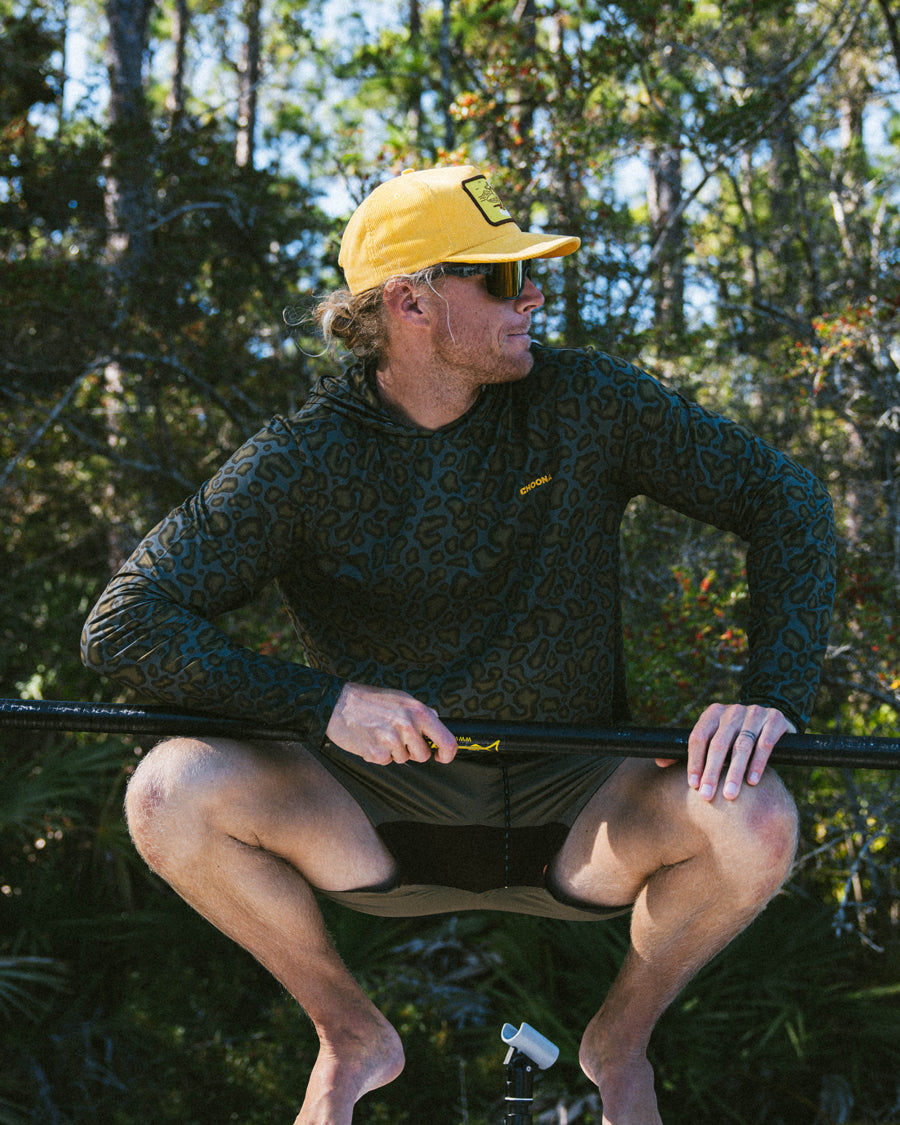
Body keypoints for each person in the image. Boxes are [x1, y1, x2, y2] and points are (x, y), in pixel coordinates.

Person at [81, 164, 836, 1125]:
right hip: (375, 814)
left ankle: (623, 1039)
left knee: (755, 814)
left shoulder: (587, 399)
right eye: (501, 278)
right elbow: (124, 621)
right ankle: (350, 1032)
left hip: (581, 800)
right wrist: (326, 706)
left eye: (530, 274)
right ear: (410, 302)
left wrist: (770, 689)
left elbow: (789, 499)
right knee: (166, 791)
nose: (534, 296)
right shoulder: (303, 455)